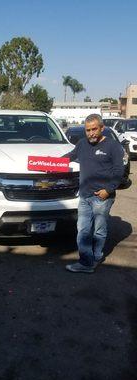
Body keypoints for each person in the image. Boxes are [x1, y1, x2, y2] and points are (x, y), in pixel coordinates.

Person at [64, 114, 124, 273]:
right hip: (84, 196)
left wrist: (108, 190)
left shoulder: (113, 146)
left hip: (102, 197)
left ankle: (96, 257)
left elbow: (119, 171)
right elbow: (69, 157)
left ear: (102, 128)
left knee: (99, 230)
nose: (91, 133)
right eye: (88, 130)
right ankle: (86, 262)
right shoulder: (82, 144)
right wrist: (48, 163)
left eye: (94, 129)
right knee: (83, 230)